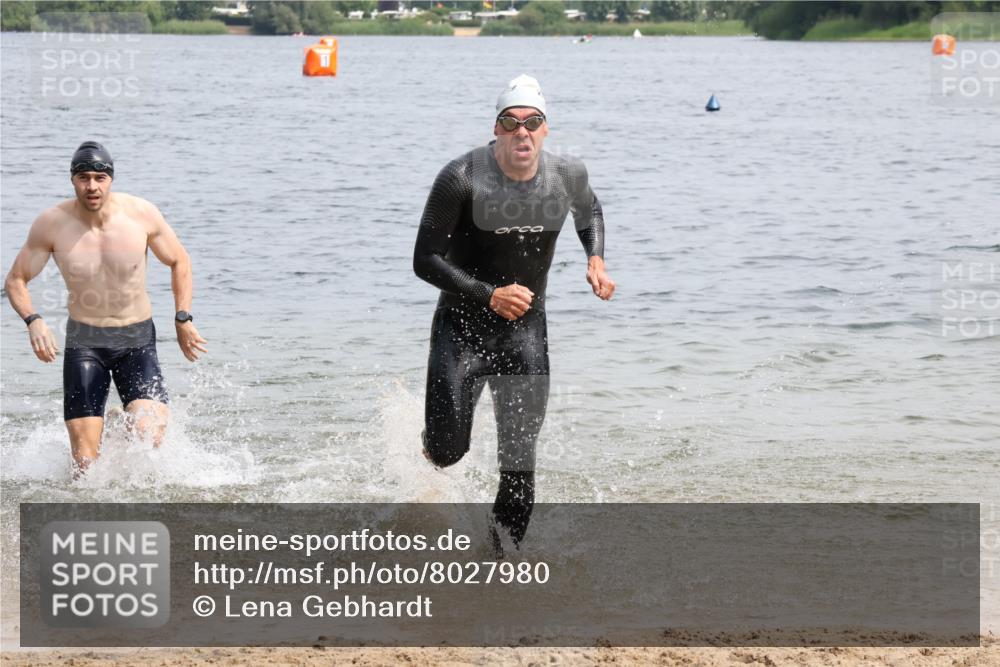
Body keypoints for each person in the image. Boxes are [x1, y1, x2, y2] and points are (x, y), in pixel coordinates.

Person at [413, 75, 615, 550]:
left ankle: (500, 562)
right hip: (461, 330)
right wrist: (489, 295)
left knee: (520, 463)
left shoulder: (566, 175)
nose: (522, 131)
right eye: (510, 121)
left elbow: (590, 210)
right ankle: (430, 441)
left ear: (546, 129)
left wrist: (596, 257)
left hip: (523, 335)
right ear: (496, 129)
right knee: (446, 453)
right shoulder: (460, 178)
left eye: (532, 121)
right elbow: (424, 260)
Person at [4, 141, 207, 475]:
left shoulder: (141, 214)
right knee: (84, 467)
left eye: (100, 178)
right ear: (73, 180)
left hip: (136, 338)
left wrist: (182, 317)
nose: (92, 186)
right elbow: (16, 280)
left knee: (149, 435)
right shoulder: (52, 224)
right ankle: (105, 434)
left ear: (111, 179)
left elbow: (179, 260)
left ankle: (119, 426)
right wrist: (34, 320)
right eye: (83, 177)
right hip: (85, 343)